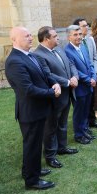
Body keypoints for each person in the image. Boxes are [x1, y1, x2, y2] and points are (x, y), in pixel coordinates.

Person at [5, 27, 60, 190]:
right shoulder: (14, 61)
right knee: (32, 145)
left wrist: (54, 83)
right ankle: (32, 180)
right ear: (14, 40)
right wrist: (51, 92)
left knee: (34, 144)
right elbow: (28, 90)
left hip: (38, 109)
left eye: (30, 35)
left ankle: (30, 170)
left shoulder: (30, 55)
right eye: (26, 36)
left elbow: (44, 74)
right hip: (30, 111)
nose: (30, 38)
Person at [33, 27, 79, 169]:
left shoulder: (59, 49)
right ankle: (50, 156)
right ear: (47, 39)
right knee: (51, 126)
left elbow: (70, 64)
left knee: (63, 122)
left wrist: (75, 76)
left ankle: (62, 147)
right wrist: (67, 82)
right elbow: (47, 75)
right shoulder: (38, 54)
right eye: (55, 36)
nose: (58, 38)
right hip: (54, 96)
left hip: (67, 93)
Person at [64, 25, 97, 144]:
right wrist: (89, 79)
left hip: (89, 85)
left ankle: (84, 130)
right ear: (69, 37)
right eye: (75, 35)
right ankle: (79, 135)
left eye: (79, 34)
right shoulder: (67, 51)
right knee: (79, 112)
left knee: (86, 110)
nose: (78, 37)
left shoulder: (82, 46)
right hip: (79, 88)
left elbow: (89, 63)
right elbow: (75, 71)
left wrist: (93, 76)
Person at [73, 17, 97, 128]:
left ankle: (92, 121)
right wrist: (88, 77)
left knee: (92, 100)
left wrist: (94, 74)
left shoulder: (90, 40)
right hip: (83, 79)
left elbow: (95, 58)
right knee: (83, 103)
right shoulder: (77, 44)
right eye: (84, 26)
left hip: (92, 75)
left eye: (87, 25)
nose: (87, 27)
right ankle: (84, 125)